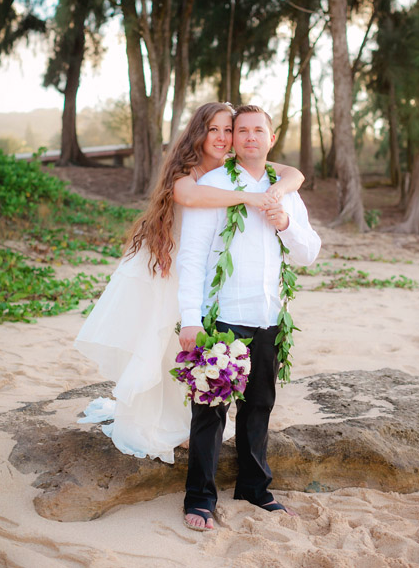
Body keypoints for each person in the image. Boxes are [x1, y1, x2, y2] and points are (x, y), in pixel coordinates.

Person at [75, 102, 304, 464]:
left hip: (210, 270)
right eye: (214, 129)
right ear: (199, 132)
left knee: (187, 350)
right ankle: (154, 422)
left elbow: (294, 173)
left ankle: (185, 425)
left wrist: (275, 193)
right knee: (165, 344)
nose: (223, 137)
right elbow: (192, 198)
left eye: (228, 130)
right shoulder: (189, 172)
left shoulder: (238, 166)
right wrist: (250, 197)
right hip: (176, 266)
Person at [177, 104, 320, 532]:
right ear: (233, 140)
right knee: (210, 410)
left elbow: (309, 253)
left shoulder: (286, 192)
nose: (251, 137)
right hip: (223, 315)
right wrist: (190, 319)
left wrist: (285, 223)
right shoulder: (214, 185)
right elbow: (191, 258)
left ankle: (254, 490)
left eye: (259, 130)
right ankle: (199, 497)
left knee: (259, 407)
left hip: (269, 315)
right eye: (242, 131)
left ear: (271, 139)